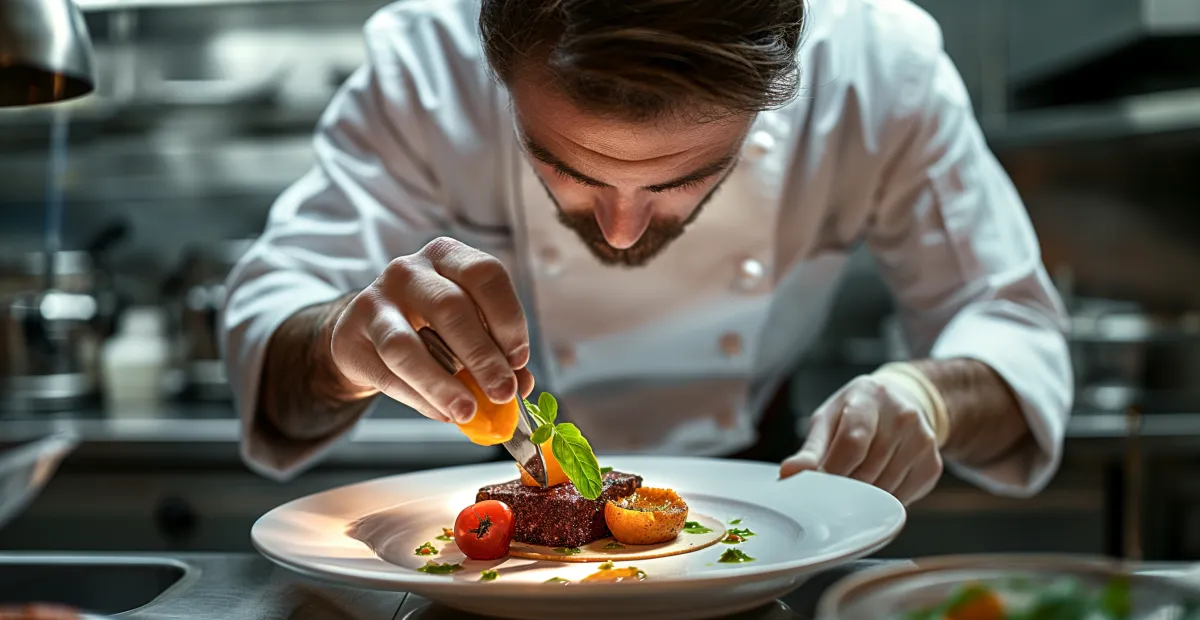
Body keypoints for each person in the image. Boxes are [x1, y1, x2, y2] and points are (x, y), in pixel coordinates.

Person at [222, 0, 1072, 506]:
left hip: (768, 480)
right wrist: (343, 339)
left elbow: (1012, 326)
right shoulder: (423, 64)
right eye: (561, 165)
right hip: (508, 509)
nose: (621, 231)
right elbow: (274, 360)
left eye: (685, 178)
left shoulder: (879, 68)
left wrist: (929, 396)